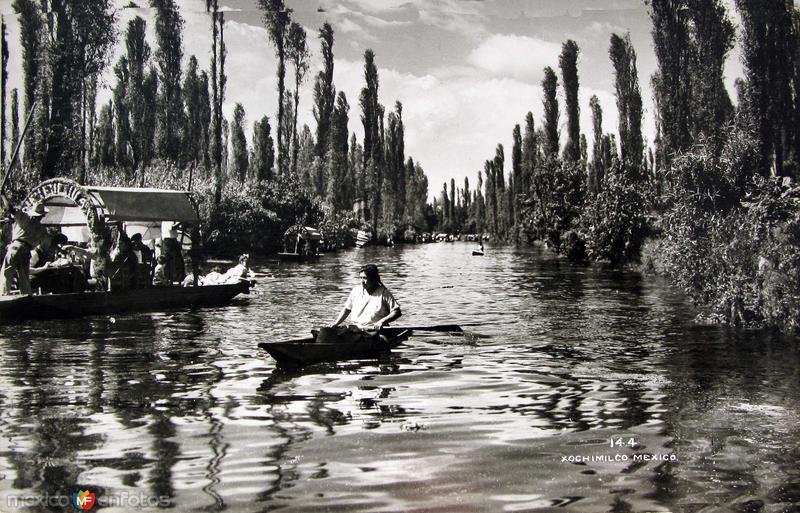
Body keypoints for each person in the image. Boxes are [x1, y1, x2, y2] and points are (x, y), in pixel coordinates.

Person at [0, 199, 50, 295]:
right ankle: (27, 298)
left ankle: (3, 298)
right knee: (24, 278)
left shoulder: (25, 218)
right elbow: (44, 244)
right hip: (27, 251)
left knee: (6, 274)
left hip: (16, 247)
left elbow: (10, 209)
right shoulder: (42, 230)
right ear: (42, 215)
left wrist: (3, 197)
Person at [330, 264, 402, 330]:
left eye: (365, 278)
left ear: (374, 279)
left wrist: (382, 321)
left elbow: (396, 312)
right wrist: (336, 323)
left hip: (374, 330)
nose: (362, 281)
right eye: (360, 278)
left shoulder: (384, 293)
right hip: (356, 329)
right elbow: (347, 310)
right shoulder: (355, 291)